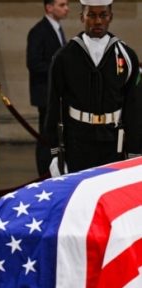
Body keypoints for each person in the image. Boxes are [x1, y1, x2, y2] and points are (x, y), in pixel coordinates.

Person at [44, 0, 141, 176]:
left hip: (113, 142)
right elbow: (52, 106)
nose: (98, 21)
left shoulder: (127, 56)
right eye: (92, 15)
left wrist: (135, 154)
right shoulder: (64, 56)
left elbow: (133, 107)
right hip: (77, 142)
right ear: (82, 17)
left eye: (103, 15)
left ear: (110, 17)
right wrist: (55, 154)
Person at [26, 0, 69, 176]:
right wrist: (59, 68)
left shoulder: (57, 29)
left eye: (66, 4)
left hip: (56, 93)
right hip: (44, 93)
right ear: (49, 7)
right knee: (45, 135)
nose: (67, 8)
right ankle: (43, 173)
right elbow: (34, 63)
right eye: (62, 5)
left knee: (53, 135)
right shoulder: (38, 31)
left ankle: (54, 169)